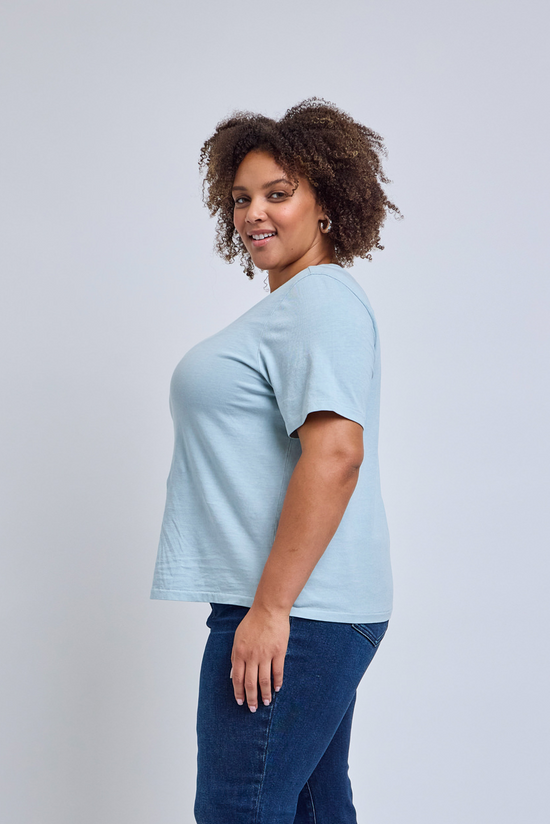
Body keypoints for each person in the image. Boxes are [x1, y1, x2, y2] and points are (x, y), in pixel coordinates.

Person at [150, 98, 401, 823]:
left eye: (278, 193)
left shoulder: (318, 301)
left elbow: (337, 454)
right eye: (241, 198)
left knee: (239, 810)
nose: (254, 213)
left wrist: (269, 609)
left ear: (326, 202)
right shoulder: (296, 306)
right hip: (307, 608)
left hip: (297, 609)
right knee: (313, 808)